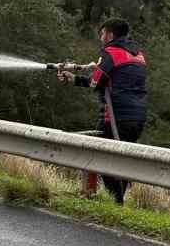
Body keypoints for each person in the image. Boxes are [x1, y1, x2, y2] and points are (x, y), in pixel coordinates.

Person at [57, 18, 148, 202]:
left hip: (115, 117)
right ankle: (118, 202)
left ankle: (117, 203)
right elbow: (113, 79)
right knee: (121, 162)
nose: (100, 37)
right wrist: (77, 77)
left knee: (103, 161)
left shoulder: (110, 52)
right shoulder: (138, 55)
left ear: (110, 34)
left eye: (102, 33)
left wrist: (74, 79)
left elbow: (95, 82)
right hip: (137, 117)